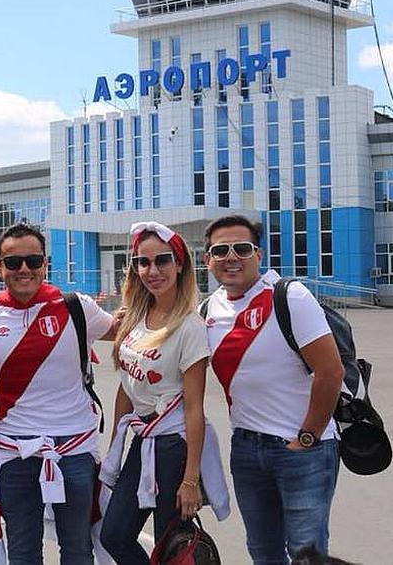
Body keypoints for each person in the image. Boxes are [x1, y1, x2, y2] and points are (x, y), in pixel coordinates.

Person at [0, 223, 116, 565]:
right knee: (22, 553)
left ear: (45, 263)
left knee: (78, 549)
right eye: (13, 262)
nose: (24, 269)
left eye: (33, 260)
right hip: (15, 452)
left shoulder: (75, 307)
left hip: (74, 452)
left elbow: (132, 334)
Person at [202, 215, 343, 563]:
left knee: (306, 552)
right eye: (220, 250)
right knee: (263, 551)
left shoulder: (289, 296)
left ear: (258, 255)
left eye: (242, 248)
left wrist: (307, 437)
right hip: (247, 449)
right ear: (208, 259)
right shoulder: (207, 309)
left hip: (304, 450)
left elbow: (330, 372)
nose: (231, 256)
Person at [99, 222, 229, 564]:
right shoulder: (135, 318)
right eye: (143, 262)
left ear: (180, 264)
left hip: (174, 446)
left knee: (171, 545)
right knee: (114, 534)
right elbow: (126, 389)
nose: (152, 270)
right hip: (143, 442)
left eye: (162, 261)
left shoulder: (190, 327)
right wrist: (116, 444)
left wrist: (190, 480)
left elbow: (194, 409)